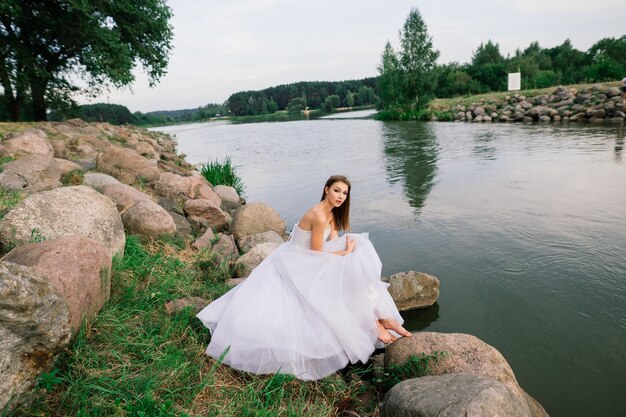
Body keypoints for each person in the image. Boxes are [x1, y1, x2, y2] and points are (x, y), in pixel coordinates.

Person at [196, 175, 412, 380]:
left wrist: (347, 250)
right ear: (326, 189)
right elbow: (316, 252)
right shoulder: (318, 215)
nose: (340, 196)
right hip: (297, 261)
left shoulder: (334, 211)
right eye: (336, 191)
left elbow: (333, 240)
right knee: (347, 264)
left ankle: (380, 318)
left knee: (359, 249)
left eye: (344, 193)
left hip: (313, 257)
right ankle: (375, 322)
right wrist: (344, 254)